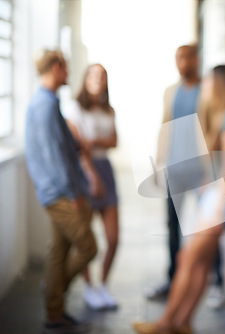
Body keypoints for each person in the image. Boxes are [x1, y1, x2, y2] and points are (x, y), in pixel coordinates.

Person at [133, 64, 225, 334]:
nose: (204, 88)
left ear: (220, 85)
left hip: (223, 202)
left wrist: (216, 206)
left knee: (187, 258)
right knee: (200, 263)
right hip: (218, 198)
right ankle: (182, 323)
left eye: (208, 83)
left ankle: (165, 325)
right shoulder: (224, 115)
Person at [25, 49, 99, 333]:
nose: (69, 73)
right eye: (66, 68)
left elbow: (64, 146)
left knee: (58, 251)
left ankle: (54, 313)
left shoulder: (49, 102)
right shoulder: (44, 106)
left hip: (59, 191)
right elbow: (54, 156)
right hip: (59, 194)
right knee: (88, 247)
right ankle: (52, 292)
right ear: (56, 68)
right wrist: (73, 193)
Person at [148, 44, 225, 307]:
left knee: (208, 226)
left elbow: (215, 126)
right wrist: (159, 162)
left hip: (201, 171)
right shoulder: (170, 91)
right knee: (172, 225)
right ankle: (172, 279)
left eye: (186, 57)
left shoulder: (207, 89)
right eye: (178, 58)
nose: (182, 62)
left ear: (196, 59)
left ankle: (218, 282)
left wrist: (213, 170)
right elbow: (164, 125)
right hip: (175, 169)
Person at [63, 64, 119, 310]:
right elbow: (79, 146)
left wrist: (94, 141)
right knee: (86, 236)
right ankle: (88, 288)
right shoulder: (74, 108)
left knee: (113, 237)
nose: (98, 79)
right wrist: (92, 176)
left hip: (106, 168)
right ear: (85, 79)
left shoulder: (109, 110)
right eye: (94, 75)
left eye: (103, 76)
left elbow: (114, 141)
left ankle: (103, 285)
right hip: (86, 172)